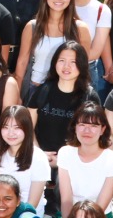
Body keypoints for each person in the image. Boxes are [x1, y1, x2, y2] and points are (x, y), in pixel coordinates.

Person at [25, 41, 99, 169]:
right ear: (54, 63)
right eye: (62, 60)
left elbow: (95, 135)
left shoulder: (90, 96)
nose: (66, 66)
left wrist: (64, 159)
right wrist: (39, 154)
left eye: (73, 62)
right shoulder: (42, 90)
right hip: (41, 159)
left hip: (76, 162)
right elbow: (27, 127)